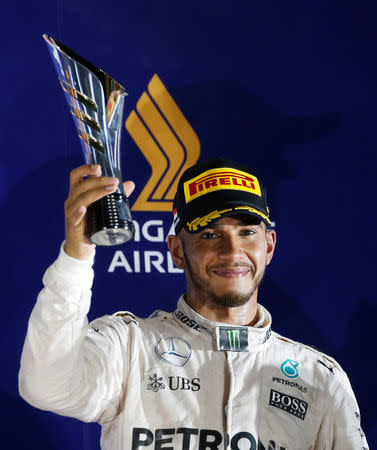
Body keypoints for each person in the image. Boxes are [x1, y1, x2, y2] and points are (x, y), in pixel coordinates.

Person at [19, 158, 368, 450]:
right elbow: (47, 385)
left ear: (270, 246)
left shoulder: (319, 378)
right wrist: (77, 256)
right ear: (176, 251)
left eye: (247, 232)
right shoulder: (129, 347)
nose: (232, 251)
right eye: (210, 234)